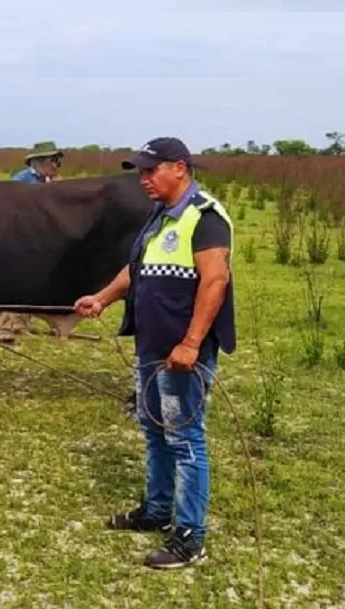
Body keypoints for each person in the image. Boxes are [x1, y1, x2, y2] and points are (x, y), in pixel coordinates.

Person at [73, 136, 235, 569]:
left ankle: (190, 536)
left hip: (183, 353)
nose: (143, 178)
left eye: (151, 170)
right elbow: (137, 269)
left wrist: (191, 343)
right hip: (151, 346)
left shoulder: (205, 217)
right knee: (154, 429)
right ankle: (158, 510)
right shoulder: (161, 216)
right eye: (141, 171)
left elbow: (215, 281)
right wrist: (103, 298)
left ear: (179, 167)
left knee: (185, 437)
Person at [0, 143, 66, 343]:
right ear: (42, 161)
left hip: (41, 237)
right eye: (55, 161)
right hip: (20, 237)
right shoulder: (21, 181)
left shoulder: (49, 181)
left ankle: (21, 323)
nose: (57, 165)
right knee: (16, 281)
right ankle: (5, 327)